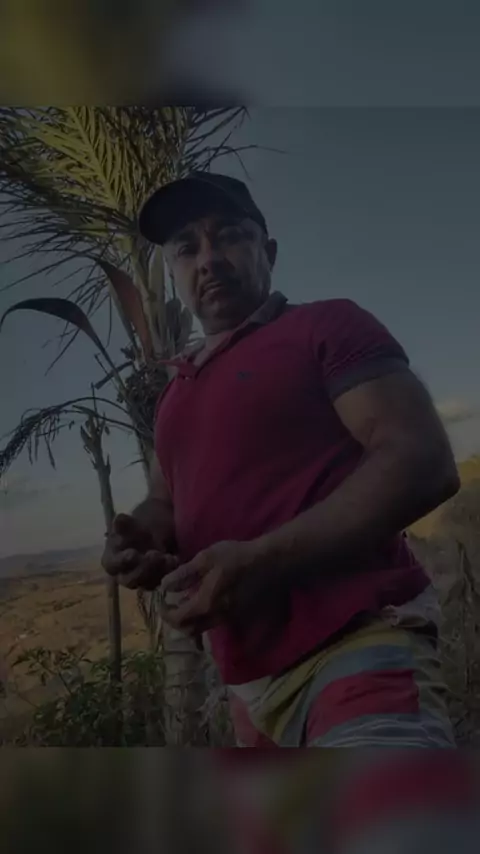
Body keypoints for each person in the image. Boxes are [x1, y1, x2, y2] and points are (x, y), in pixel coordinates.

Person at [102, 171, 460, 747]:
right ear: (174, 273)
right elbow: (165, 500)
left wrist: (262, 561)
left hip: (358, 638)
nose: (208, 259)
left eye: (229, 236)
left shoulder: (323, 326)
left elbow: (421, 460)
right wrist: (140, 537)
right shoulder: (174, 394)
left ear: (267, 252)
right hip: (249, 687)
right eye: (187, 248)